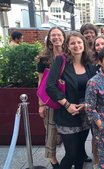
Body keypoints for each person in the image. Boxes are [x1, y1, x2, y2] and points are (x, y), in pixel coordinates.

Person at [46, 32, 97, 169]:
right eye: (73, 43)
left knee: (80, 152)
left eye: (79, 42)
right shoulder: (61, 61)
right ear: (67, 46)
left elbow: (95, 88)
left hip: (84, 115)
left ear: (84, 45)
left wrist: (87, 104)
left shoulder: (89, 63)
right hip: (66, 114)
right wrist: (67, 104)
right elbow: (49, 86)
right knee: (71, 154)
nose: (77, 45)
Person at [36, 27, 66, 169]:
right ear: (49, 38)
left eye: (59, 34)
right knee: (51, 130)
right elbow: (41, 81)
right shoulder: (44, 58)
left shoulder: (69, 55)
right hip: (50, 100)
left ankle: (73, 154)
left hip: (66, 99)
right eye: (53, 35)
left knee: (68, 130)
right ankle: (53, 161)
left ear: (64, 37)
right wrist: (41, 104)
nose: (56, 37)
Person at [90, 35, 104, 168]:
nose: (100, 46)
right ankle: (96, 160)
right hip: (95, 102)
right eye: (97, 44)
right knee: (96, 133)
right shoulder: (91, 64)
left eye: (103, 43)